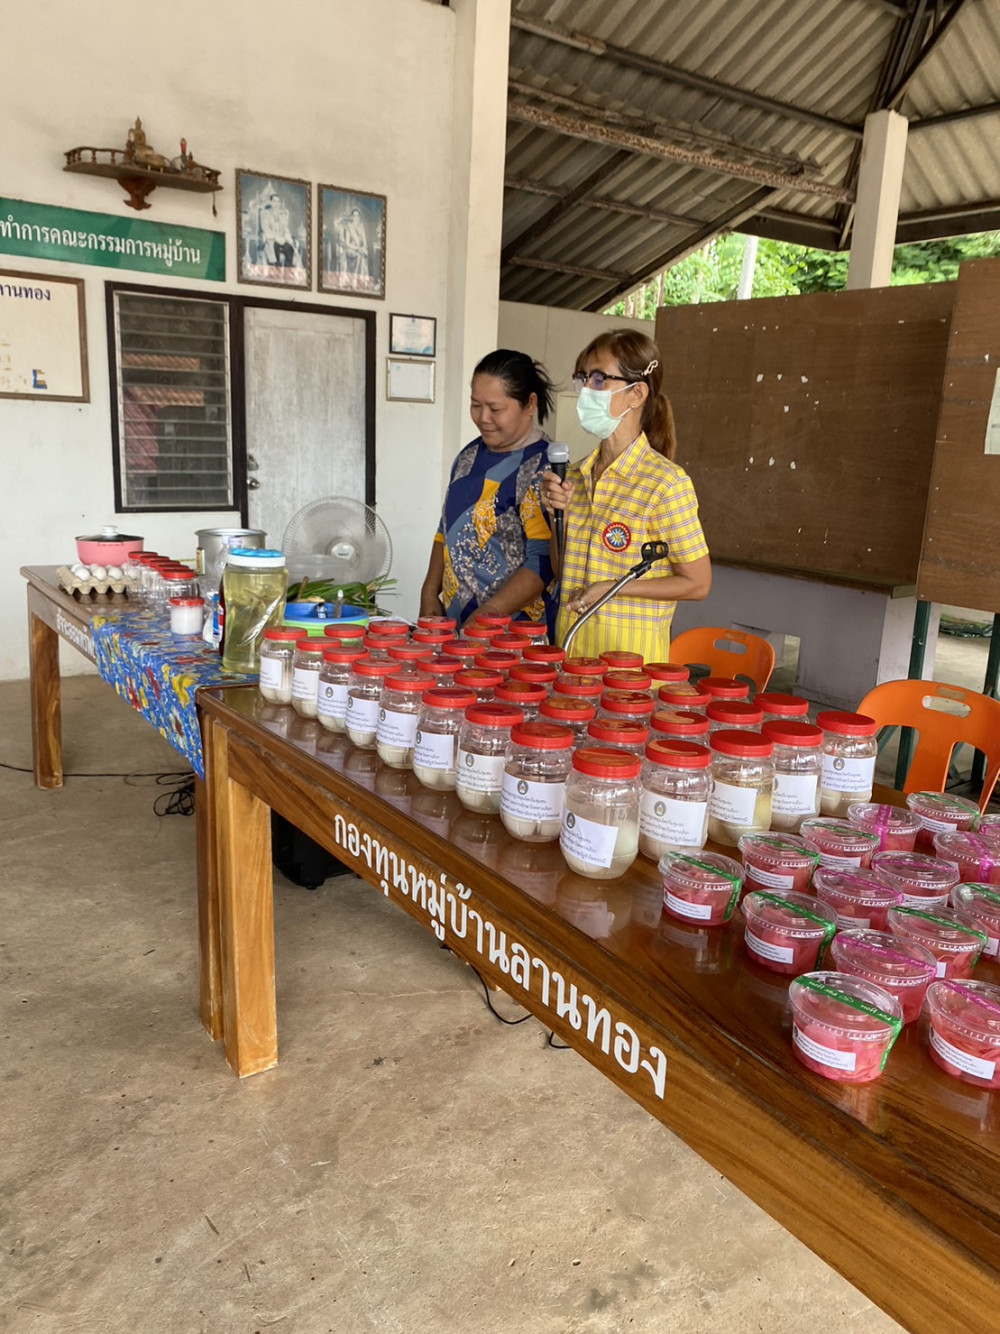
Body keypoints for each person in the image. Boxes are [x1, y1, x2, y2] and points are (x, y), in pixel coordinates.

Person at [540, 329, 711, 659]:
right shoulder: (574, 476)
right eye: (582, 379)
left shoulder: (665, 484)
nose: (587, 390)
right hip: (572, 658)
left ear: (637, 394)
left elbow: (698, 583)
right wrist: (557, 516)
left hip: (629, 671)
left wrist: (611, 589)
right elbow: (563, 573)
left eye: (599, 379)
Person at [420, 350, 557, 628]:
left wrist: (491, 612)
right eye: (475, 405)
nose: (483, 418)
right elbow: (445, 529)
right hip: (459, 626)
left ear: (530, 404)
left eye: (495, 409)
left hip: (514, 632)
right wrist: (430, 590)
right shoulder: (468, 456)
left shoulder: (543, 469)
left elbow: (543, 562)